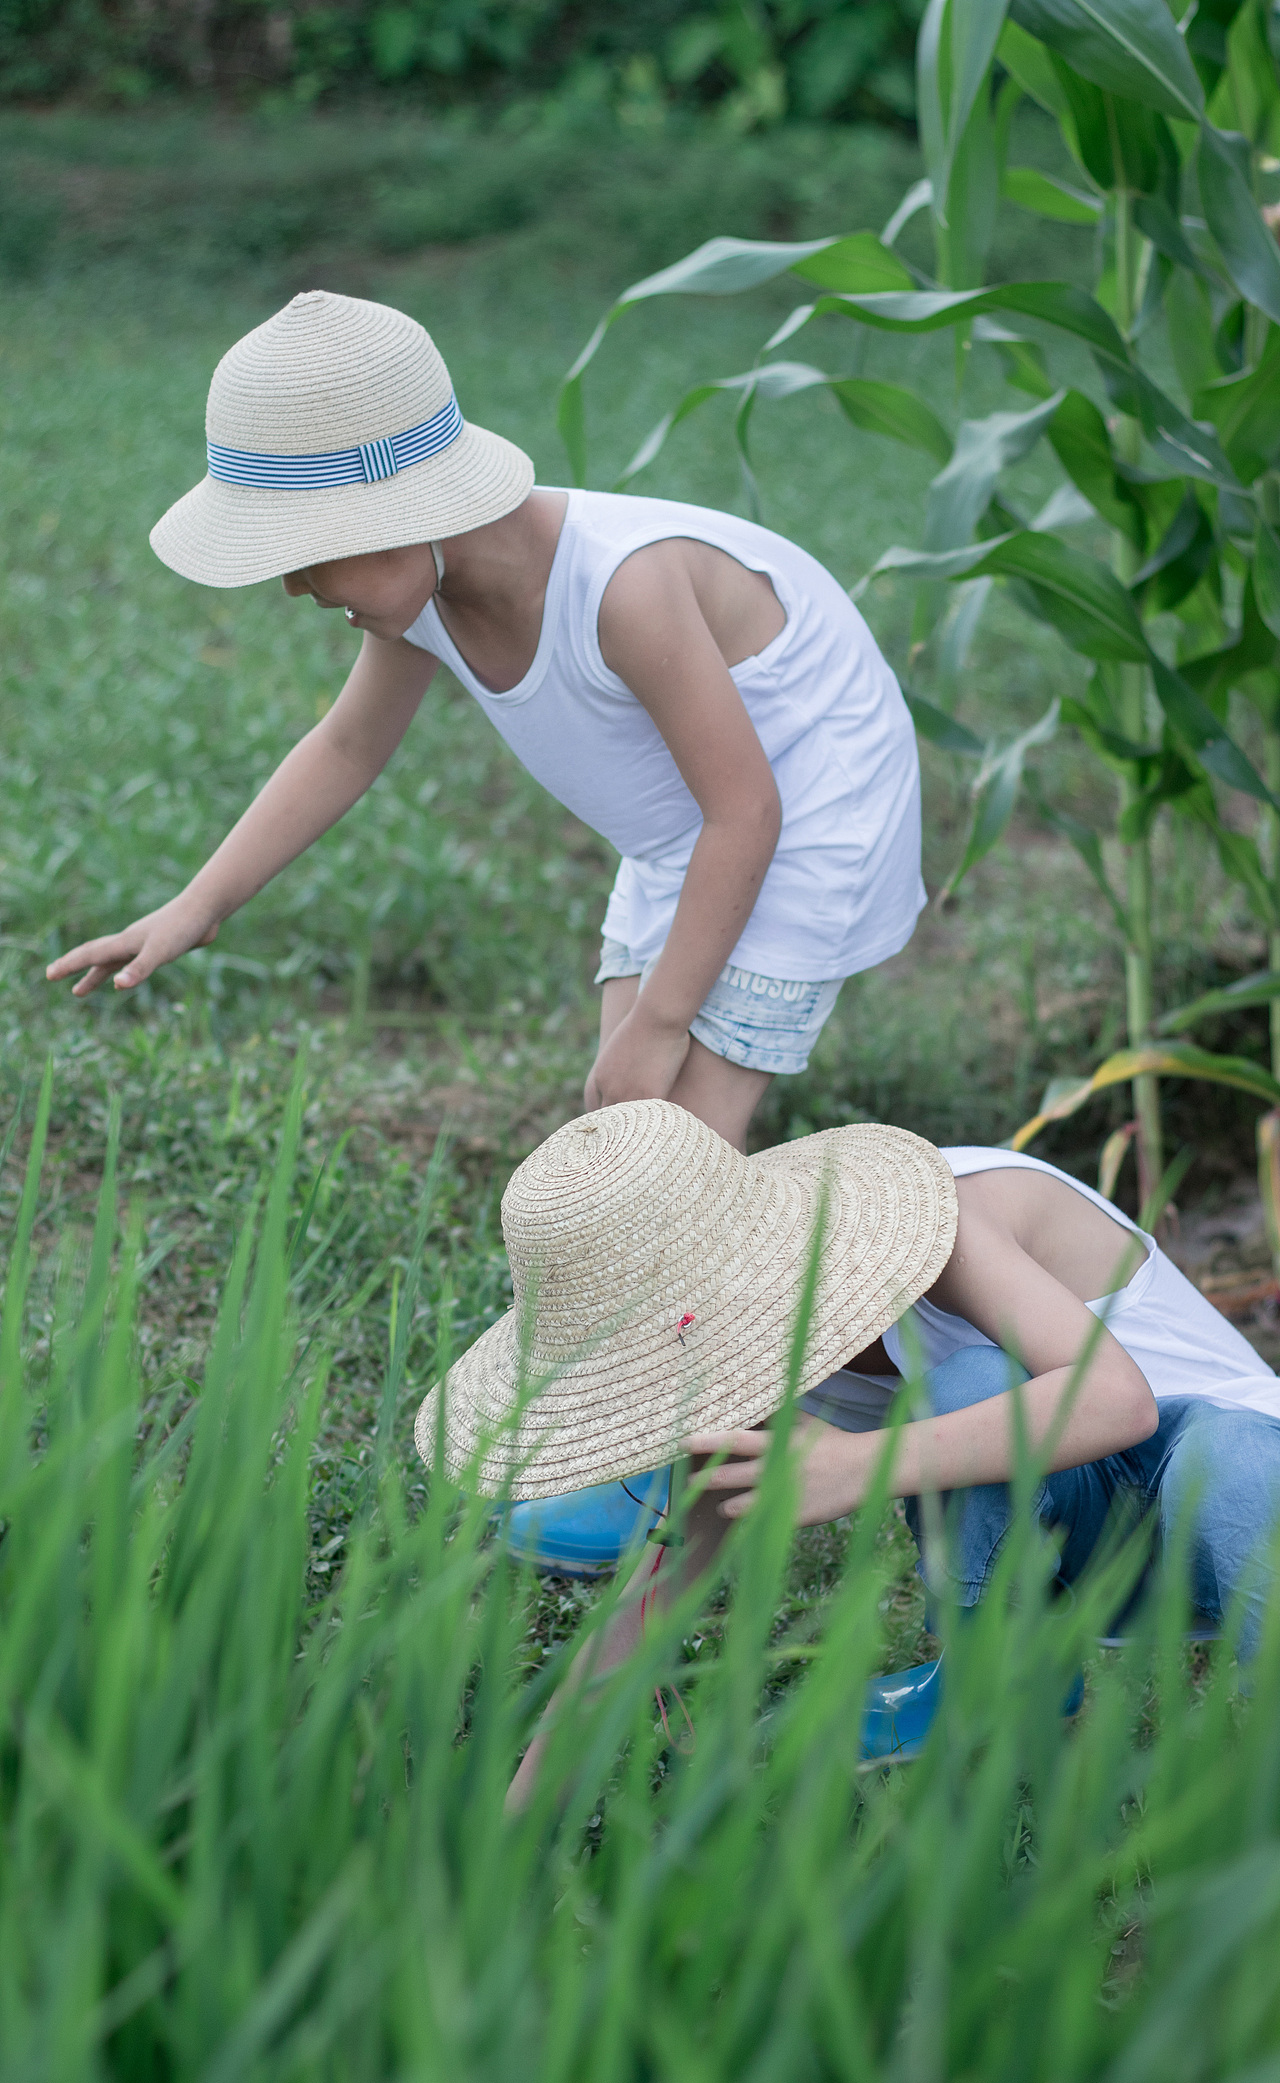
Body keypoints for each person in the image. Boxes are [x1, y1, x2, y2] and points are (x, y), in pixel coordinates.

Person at [44, 289, 924, 1153]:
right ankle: (697, 1288)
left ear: (403, 517)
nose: (292, 587)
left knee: (681, 1134)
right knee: (625, 1123)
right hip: (686, 832)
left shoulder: (628, 589)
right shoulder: (426, 589)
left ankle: (809, 1285)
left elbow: (750, 811)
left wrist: (663, 1016)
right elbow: (347, 746)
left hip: (811, 814)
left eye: (307, 557)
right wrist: (200, 905)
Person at [413, 1099, 1280, 1805]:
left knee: (979, 1381)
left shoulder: (948, 1217)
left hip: (1240, 1505)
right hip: (1091, 1540)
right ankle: (996, 1678)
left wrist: (853, 1465)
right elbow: (652, 1601)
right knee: (969, 1391)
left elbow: (1118, 1403)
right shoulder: (742, 1351)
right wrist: (512, 1826)